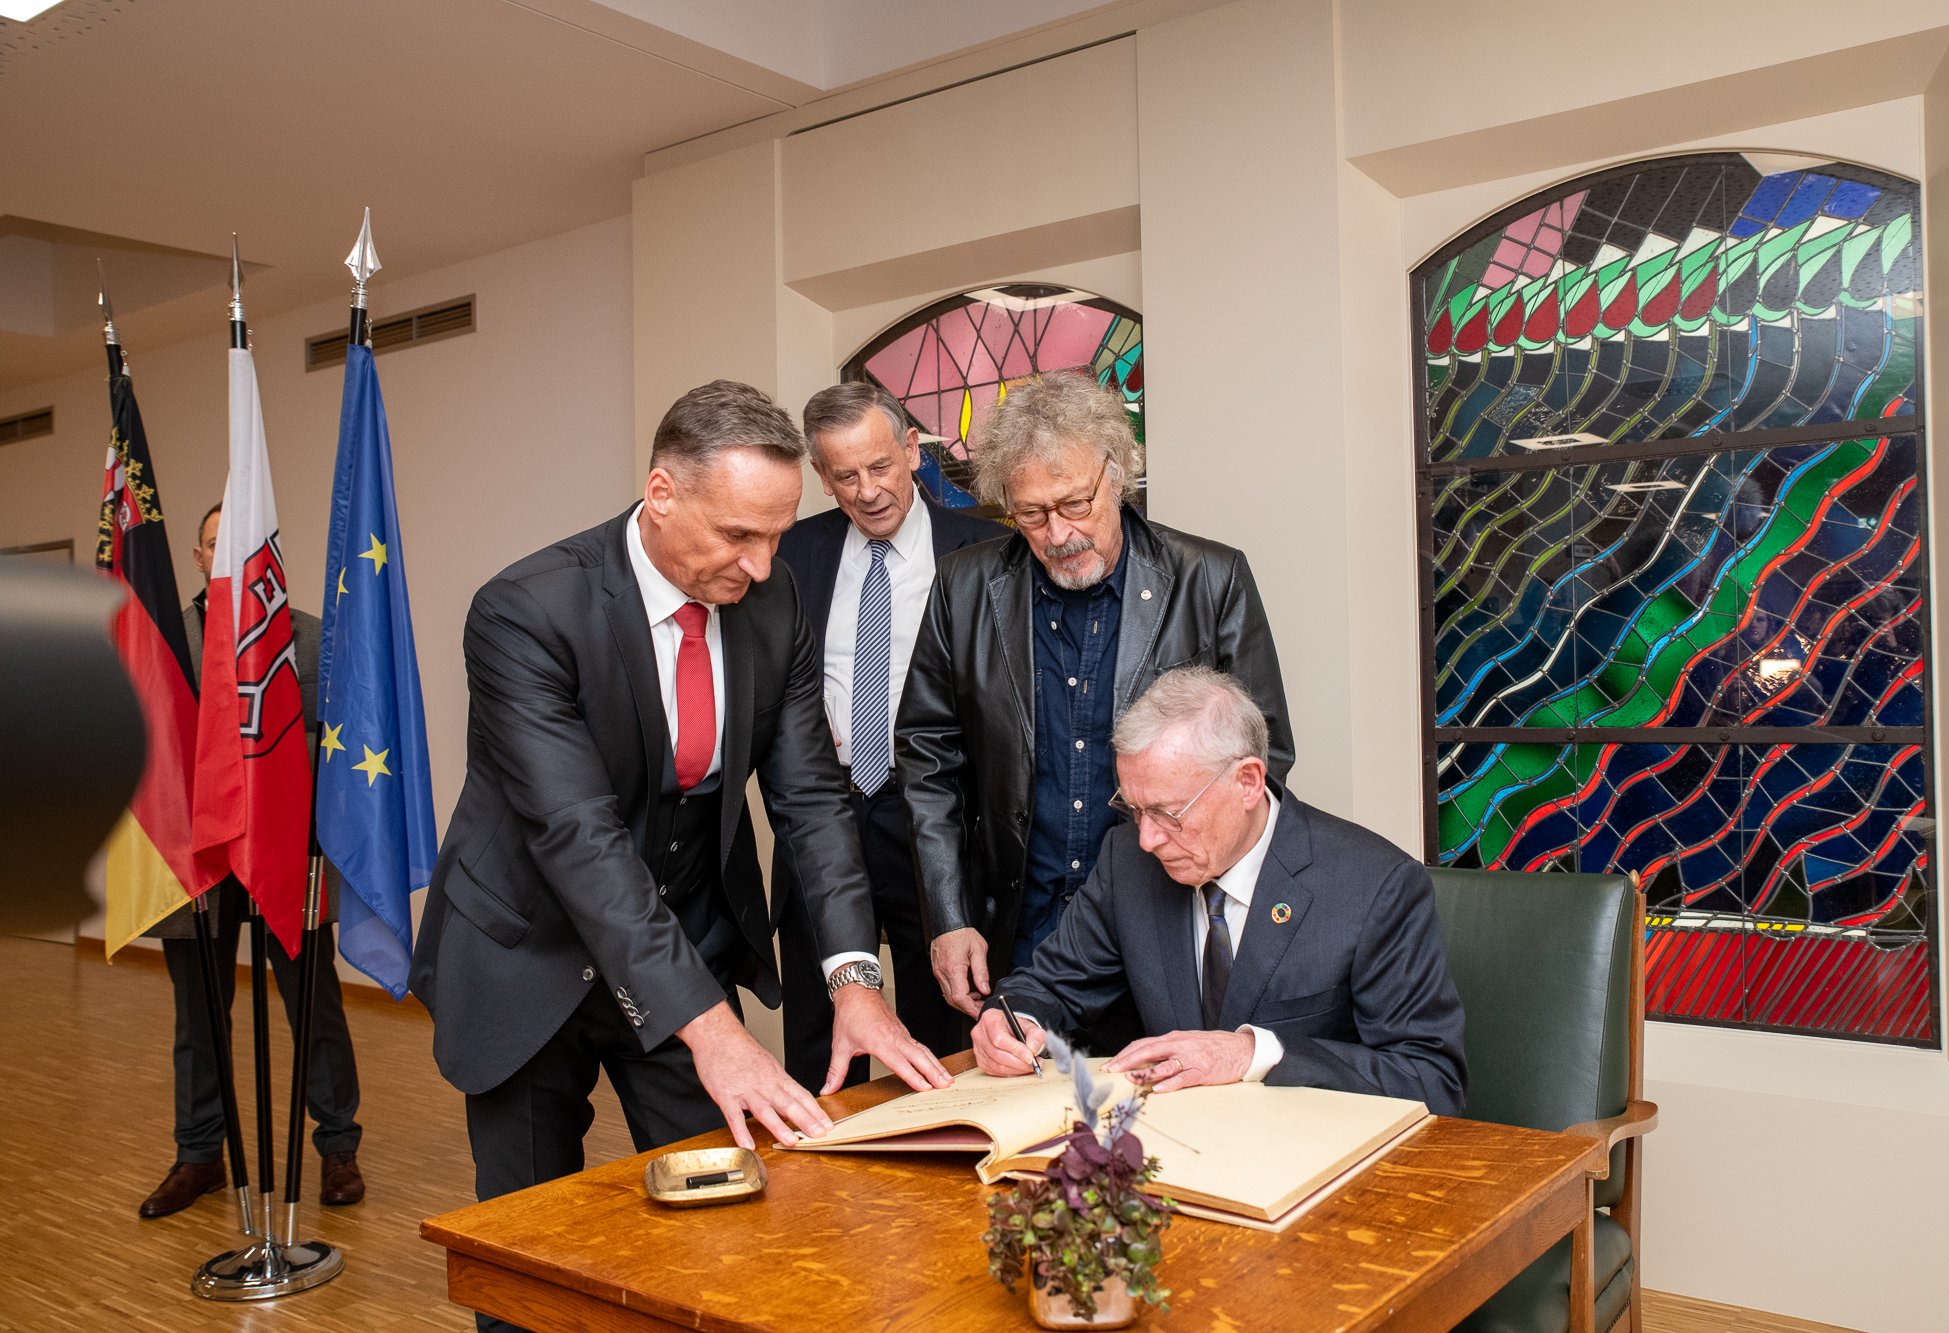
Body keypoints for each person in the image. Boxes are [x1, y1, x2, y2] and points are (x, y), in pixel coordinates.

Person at [409, 381, 951, 1271]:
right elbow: (578, 838)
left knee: (730, 1222)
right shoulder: (527, 612)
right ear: (661, 494)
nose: (764, 565)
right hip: (530, 954)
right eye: (739, 535)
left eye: (778, 534)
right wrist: (716, 1030)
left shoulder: (771, 606)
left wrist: (855, 977)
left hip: (680, 944)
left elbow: (811, 799)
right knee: (532, 1247)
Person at [898, 370, 1294, 1044]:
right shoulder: (965, 587)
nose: (1056, 532)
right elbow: (927, 758)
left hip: (1165, 932)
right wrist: (947, 914)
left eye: (1075, 503)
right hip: (1012, 936)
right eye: (1030, 513)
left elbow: (1264, 759)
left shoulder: (1210, 579)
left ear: (1117, 475)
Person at [971, 667, 1466, 1113]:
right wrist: (1013, 1020)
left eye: (1169, 813)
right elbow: (1050, 986)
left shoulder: (1374, 885)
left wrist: (1254, 1054)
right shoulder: (1127, 863)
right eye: (1135, 809)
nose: (1148, 838)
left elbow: (1431, 1080)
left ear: (1248, 782)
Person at [772, 383, 1005, 1087]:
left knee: (945, 1023)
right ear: (821, 475)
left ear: (911, 449)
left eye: (880, 465)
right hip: (826, 811)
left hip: (934, 815)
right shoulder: (790, 554)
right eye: (846, 475)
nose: (868, 490)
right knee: (820, 1030)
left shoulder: (986, 551)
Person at [140, 502, 366, 1218]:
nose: (227, 556)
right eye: (215, 545)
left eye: (242, 545)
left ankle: (337, 1146)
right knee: (199, 1015)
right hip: (197, 855)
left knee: (313, 1004)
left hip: (285, 850)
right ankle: (200, 1153)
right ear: (199, 557)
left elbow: (332, 748)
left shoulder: (305, 639)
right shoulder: (165, 641)